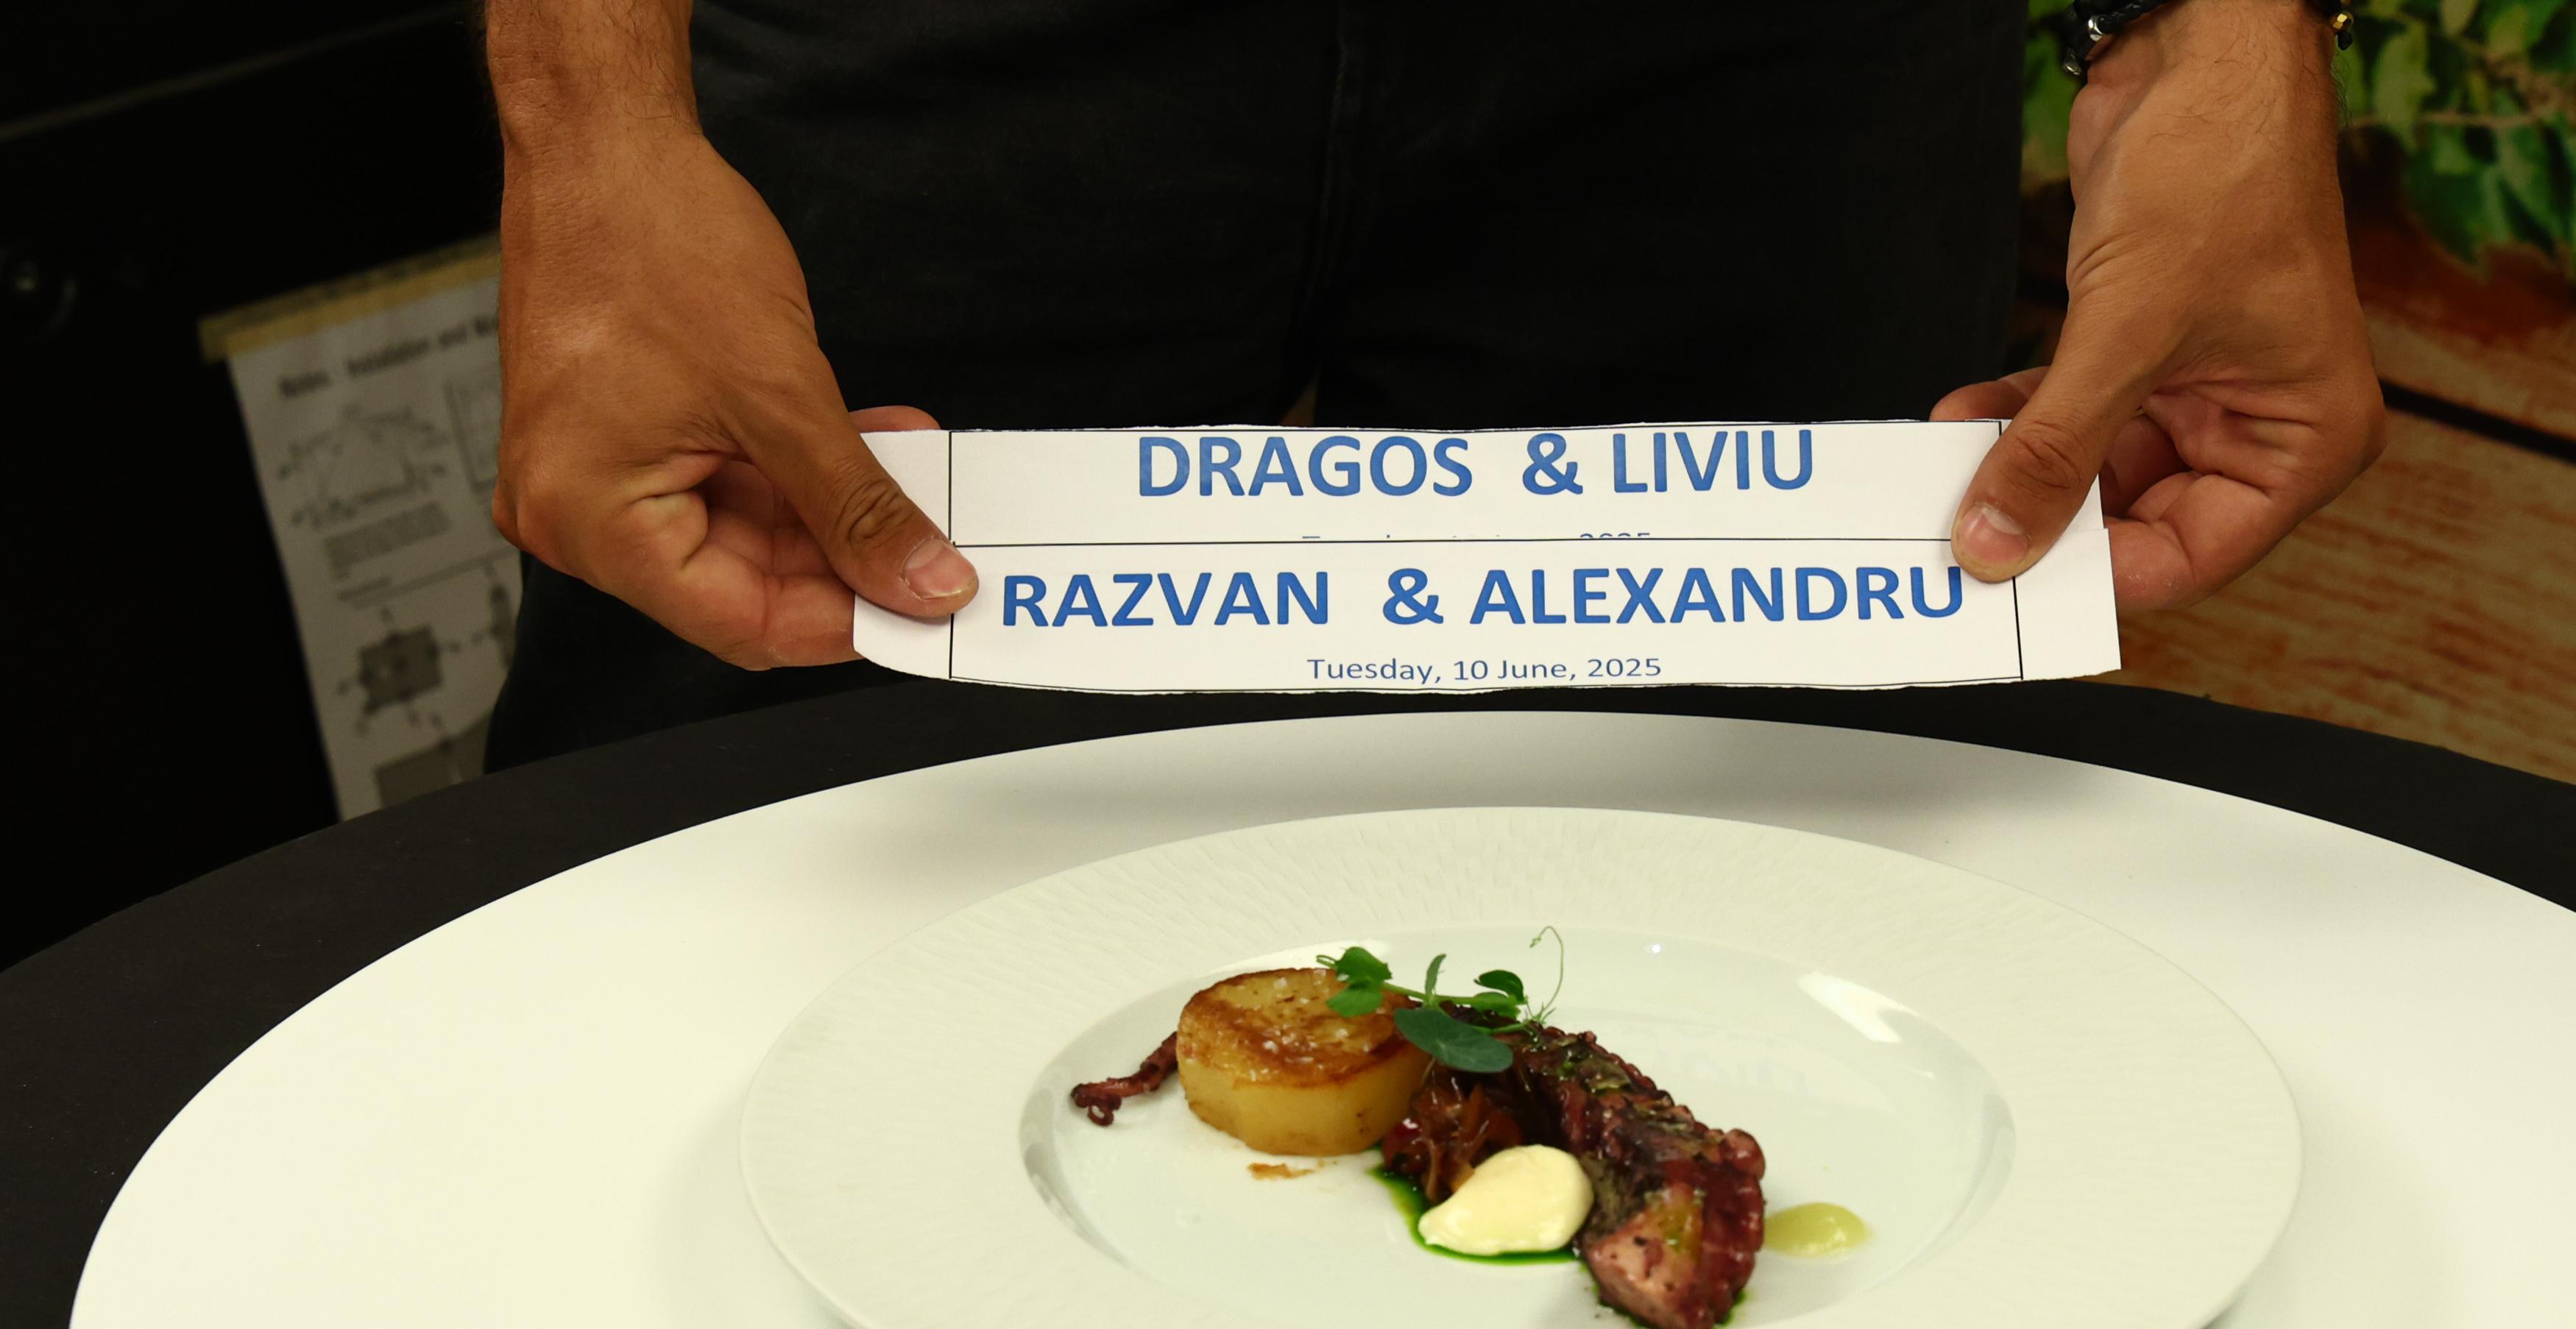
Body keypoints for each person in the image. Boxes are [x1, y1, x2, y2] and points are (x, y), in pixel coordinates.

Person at [479, 0, 2383, 767]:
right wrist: (589, 108)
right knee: (725, 844)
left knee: (1784, 865)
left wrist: (2223, 26)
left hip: (1777, 58)